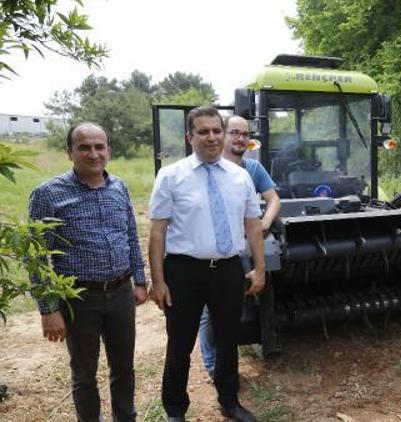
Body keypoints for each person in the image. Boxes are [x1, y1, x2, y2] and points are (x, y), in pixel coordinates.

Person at [148, 106, 266, 422]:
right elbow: (157, 232)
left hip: (228, 270)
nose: (211, 137)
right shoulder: (171, 176)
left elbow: (253, 224)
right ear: (190, 137)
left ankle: (230, 402)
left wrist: (260, 268)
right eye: (203, 131)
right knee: (180, 344)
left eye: (216, 130)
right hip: (184, 272)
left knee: (228, 340)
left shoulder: (241, 177)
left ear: (223, 134)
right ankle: (175, 409)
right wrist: (158, 282)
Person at [28, 122, 148, 422]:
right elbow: (36, 256)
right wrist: (48, 309)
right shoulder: (48, 194)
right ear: (70, 152)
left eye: (99, 146)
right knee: (84, 373)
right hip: (78, 298)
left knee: (123, 367)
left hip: (121, 292)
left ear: (108, 150)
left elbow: (131, 235)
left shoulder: (119, 187)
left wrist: (140, 280)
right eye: (84, 147)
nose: (93, 154)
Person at [198, 115, 281, 380]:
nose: (240, 139)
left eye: (245, 135)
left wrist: (264, 221)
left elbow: (273, 198)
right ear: (223, 134)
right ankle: (213, 368)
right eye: (235, 133)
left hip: (244, 246)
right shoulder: (206, 169)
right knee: (209, 314)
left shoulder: (253, 170)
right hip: (212, 252)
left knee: (234, 306)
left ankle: (264, 344)